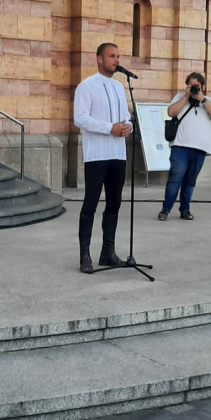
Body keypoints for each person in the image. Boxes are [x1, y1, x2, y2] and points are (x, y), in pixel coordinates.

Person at [73, 43, 133, 273]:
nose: (116, 60)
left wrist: (128, 127)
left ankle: (107, 252)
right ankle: (84, 255)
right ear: (99, 59)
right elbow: (80, 118)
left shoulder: (119, 87)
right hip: (97, 155)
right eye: (111, 56)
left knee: (114, 203)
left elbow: (125, 117)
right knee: (91, 204)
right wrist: (110, 128)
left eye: (118, 56)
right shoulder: (86, 86)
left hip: (118, 154)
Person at [158, 72, 211, 221]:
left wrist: (202, 99)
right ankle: (166, 209)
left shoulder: (208, 100)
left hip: (200, 149)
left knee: (190, 180)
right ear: (187, 86)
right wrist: (187, 96)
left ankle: (185, 210)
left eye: (197, 87)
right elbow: (171, 112)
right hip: (180, 146)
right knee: (176, 177)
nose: (194, 89)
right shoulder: (179, 98)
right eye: (191, 86)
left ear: (202, 87)